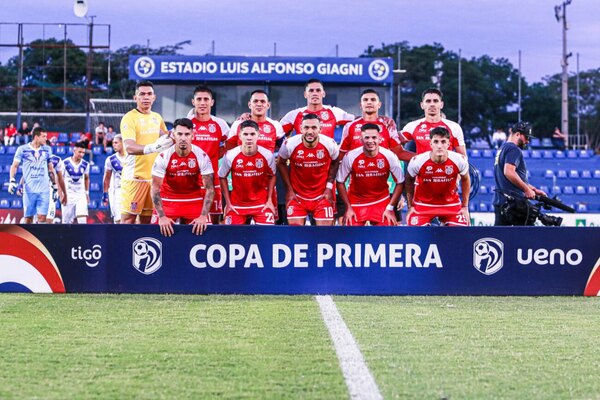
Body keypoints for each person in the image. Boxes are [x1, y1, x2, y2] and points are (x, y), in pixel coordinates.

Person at [120, 80, 173, 224]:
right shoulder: (129, 118)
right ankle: (122, 247)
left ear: (154, 97)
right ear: (135, 98)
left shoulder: (157, 117)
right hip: (135, 178)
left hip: (154, 179)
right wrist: (153, 147)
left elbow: (167, 140)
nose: (146, 97)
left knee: (147, 222)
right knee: (127, 221)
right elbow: (130, 147)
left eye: (149, 94)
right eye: (142, 94)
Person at [151, 118, 214, 237]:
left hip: (193, 200)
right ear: (174, 135)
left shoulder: (202, 156)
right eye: (179, 134)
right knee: (155, 234)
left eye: (187, 134)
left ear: (193, 135)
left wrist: (203, 216)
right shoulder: (163, 156)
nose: (183, 138)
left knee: (206, 233)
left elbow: (210, 189)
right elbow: (155, 189)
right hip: (168, 200)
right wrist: (162, 216)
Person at [336, 123, 405, 226]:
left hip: (381, 202)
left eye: (374, 137)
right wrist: (348, 207)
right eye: (366, 137)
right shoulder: (351, 156)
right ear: (361, 139)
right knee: (351, 236)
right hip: (356, 202)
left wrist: (390, 207)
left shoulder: (390, 156)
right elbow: (340, 181)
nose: (370, 141)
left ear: (380, 138)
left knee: (388, 234)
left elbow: (400, 182)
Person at [277, 113, 340, 226]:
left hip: (322, 196)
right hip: (297, 196)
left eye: (314, 128)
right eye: (306, 127)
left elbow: (335, 162)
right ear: (301, 128)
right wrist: (289, 190)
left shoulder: (330, 144)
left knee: (324, 236)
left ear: (320, 129)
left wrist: (329, 187)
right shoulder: (289, 144)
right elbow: (280, 163)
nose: (310, 131)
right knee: (295, 236)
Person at [405, 127, 470, 226]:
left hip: (451, 205)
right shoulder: (417, 161)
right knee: (415, 235)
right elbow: (409, 181)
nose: (439, 146)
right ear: (431, 144)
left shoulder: (459, 160)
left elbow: (466, 179)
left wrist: (465, 207)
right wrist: (410, 207)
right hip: (422, 206)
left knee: (460, 235)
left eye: (443, 142)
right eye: (436, 142)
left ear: (448, 144)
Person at [219, 120, 277, 225]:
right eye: (245, 134)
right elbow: (222, 176)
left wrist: (269, 200)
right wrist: (228, 203)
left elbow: (272, 176)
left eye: (252, 134)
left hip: (261, 205)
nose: (249, 137)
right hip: (237, 206)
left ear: (258, 135)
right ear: (240, 136)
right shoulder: (230, 155)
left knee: (268, 236)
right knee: (230, 237)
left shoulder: (267, 155)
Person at [186, 85, 230, 224]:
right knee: (188, 220)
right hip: (189, 180)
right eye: (199, 99)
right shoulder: (187, 124)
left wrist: (216, 155)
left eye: (206, 99)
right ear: (193, 102)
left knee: (215, 221)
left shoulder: (220, 124)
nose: (202, 102)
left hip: (212, 180)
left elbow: (230, 144)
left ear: (212, 102)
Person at [493, 122, 547, 226]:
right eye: (526, 137)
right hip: (514, 206)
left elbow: (510, 177)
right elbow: (509, 172)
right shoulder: (514, 149)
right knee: (525, 239)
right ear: (517, 134)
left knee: (501, 239)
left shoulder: (503, 148)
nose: (527, 141)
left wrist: (533, 189)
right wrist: (526, 190)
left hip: (501, 202)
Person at [339, 89, 414, 162]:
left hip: (382, 172)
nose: (369, 102)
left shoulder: (388, 124)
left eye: (373, 100)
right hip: (357, 173)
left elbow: (398, 153)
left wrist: (423, 159)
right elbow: (342, 155)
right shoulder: (350, 126)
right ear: (360, 105)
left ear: (379, 105)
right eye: (365, 100)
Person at [8, 127, 61, 223]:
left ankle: (40, 238)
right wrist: (12, 180)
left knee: (42, 218)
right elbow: (14, 166)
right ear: (36, 137)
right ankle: (28, 238)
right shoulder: (22, 149)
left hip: (44, 190)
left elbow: (50, 168)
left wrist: (55, 186)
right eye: (43, 136)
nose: (46, 138)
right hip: (29, 190)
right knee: (28, 219)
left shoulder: (47, 149)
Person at [400, 88, 467, 156]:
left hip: (446, 166)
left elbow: (463, 157)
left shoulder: (454, 127)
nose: (432, 104)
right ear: (422, 105)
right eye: (428, 101)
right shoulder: (412, 126)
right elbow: (393, 144)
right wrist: (415, 159)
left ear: (441, 104)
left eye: (435, 101)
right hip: (422, 166)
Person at [280, 79, 354, 140]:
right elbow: (276, 133)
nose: (315, 93)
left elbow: (357, 122)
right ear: (305, 94)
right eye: (311, 91)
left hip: (326, 157)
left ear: (323, 94)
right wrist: (287, 147)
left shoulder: (334, 112)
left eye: (318, 90)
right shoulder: (294, 115)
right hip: (302, 156)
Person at [62, 142, 90, 224]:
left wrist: (87, 193)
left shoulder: (85, 164)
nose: (81, 154)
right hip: (68, 194)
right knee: (66, 222)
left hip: (80, 195)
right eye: (80, 152)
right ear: (74, 150)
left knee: (82, 220)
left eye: (83, 153)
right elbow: (60, 179)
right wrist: (62, 194)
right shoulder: (65, 163)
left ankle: (83, 236)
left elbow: (87, 178)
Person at [102, 134, 125, 223]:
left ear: (123, 143)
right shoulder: (110, 159)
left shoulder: (132, 157)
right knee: (118, 220)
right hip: (118, 192)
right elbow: (107, 178)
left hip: (131, 190)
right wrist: (105, 194)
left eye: (116, 142)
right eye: (113, 143)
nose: (113, 145)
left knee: (132, 220)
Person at [46, 151, 67, 223]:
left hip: (51, 191)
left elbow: (59, 178)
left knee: (49, 218)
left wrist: (61, 195)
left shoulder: (57, 160)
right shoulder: (34, 158)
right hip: (38, 190)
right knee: (37, 219)